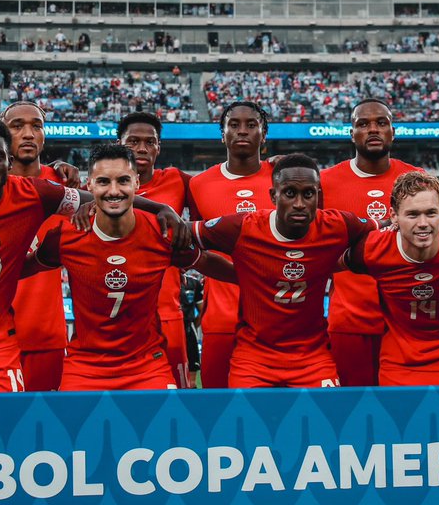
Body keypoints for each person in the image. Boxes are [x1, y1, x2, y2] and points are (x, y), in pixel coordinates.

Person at [0, 117, 184, 394]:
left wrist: (161, 208)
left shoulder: (34, 194)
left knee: (6, 434)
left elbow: (106, 196)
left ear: (9, 162)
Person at [26, 144, 232, 391]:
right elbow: (23, 269)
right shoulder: (65, 237)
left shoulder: (161, 234)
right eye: (103, 182)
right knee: (73, 429)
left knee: (166, 428)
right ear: (88, 185)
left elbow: (207, 263)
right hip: (85, 366)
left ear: (136, 183)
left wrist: (260, 277)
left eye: (123, 181)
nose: (114, 191)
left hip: (146, 365)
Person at [191, 154, 376, 388]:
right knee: (247, 422)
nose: (299, 203)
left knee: (326, 420)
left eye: (308, 194)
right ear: (273, 196)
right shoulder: (244, 227)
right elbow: (183, 234)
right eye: (289, 193)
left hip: (312, 358)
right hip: (254, 359)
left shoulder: (337, 225)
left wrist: (346, 261)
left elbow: (384, 230)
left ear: (318, 197)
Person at [345, 171, 439, 385]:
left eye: (431, 213)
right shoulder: (373, 249)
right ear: (394, 216)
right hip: (398, 366)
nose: (423, 223)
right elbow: (324, 260)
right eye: (413, 214)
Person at [322, 99, 421, 386]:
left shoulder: (416, 179)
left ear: (393, 131)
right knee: (350, 415)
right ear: (351, 134)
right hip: (348, 322)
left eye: (381, 123)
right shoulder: (326, 183)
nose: (373, 129)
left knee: (401, 415)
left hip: (405, 323)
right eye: (363, 124)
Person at [185, 101, 274, 388]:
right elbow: (198, 245)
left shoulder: (284, 178)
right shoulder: (199, 184)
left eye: (251, 125)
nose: (242, 131)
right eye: (233, 125)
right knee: (219, 411)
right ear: (222, 134)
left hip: (275, 319)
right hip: (220, 319)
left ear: (264, 134)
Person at [4, 101, 81, 392]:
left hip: (46, 334)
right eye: (17, 126)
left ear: (44, 134)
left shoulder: (65, 188)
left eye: (36, 126)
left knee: (47, 431)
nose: (27, 133)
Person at [118, 111, 193, 387]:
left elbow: (220, 183)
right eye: (133, 141)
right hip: (115, 317)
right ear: (118, 144)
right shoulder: (99, 187)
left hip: (167, 313)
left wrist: (271, 164)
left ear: (159, 147)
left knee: (177, 407)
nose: (141, 148)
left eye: (150, 142)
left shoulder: (176, 180)